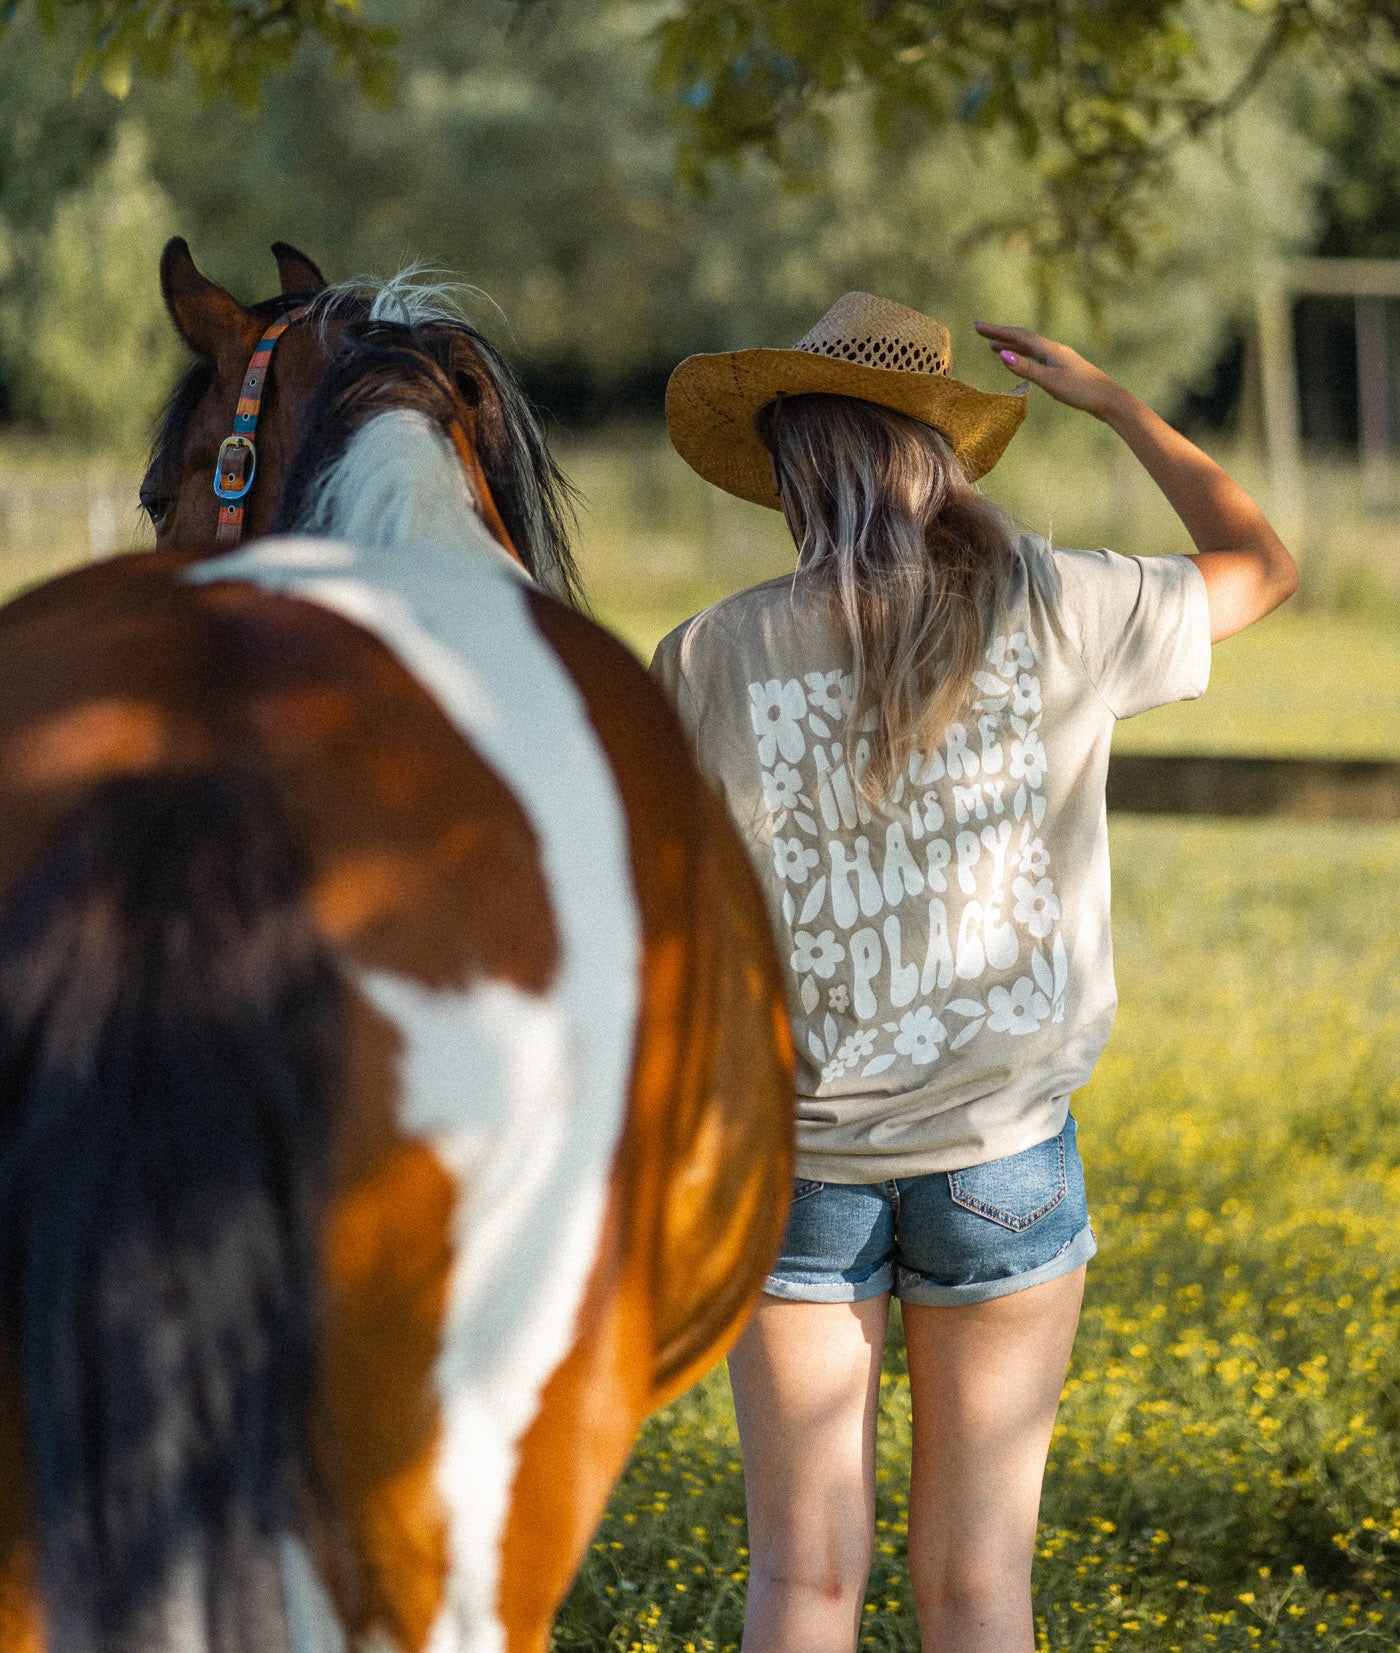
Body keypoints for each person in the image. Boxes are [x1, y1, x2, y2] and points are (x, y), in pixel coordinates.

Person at [651, 292, 1297, 1653]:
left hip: (798, 1173)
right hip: (1004, 1163)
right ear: (932, 455)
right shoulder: (1063, 604)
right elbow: (1260, 563)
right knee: (982, 1587)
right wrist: (1116, 402)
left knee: (802, 1580)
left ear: (792, 467)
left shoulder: (707, 657)